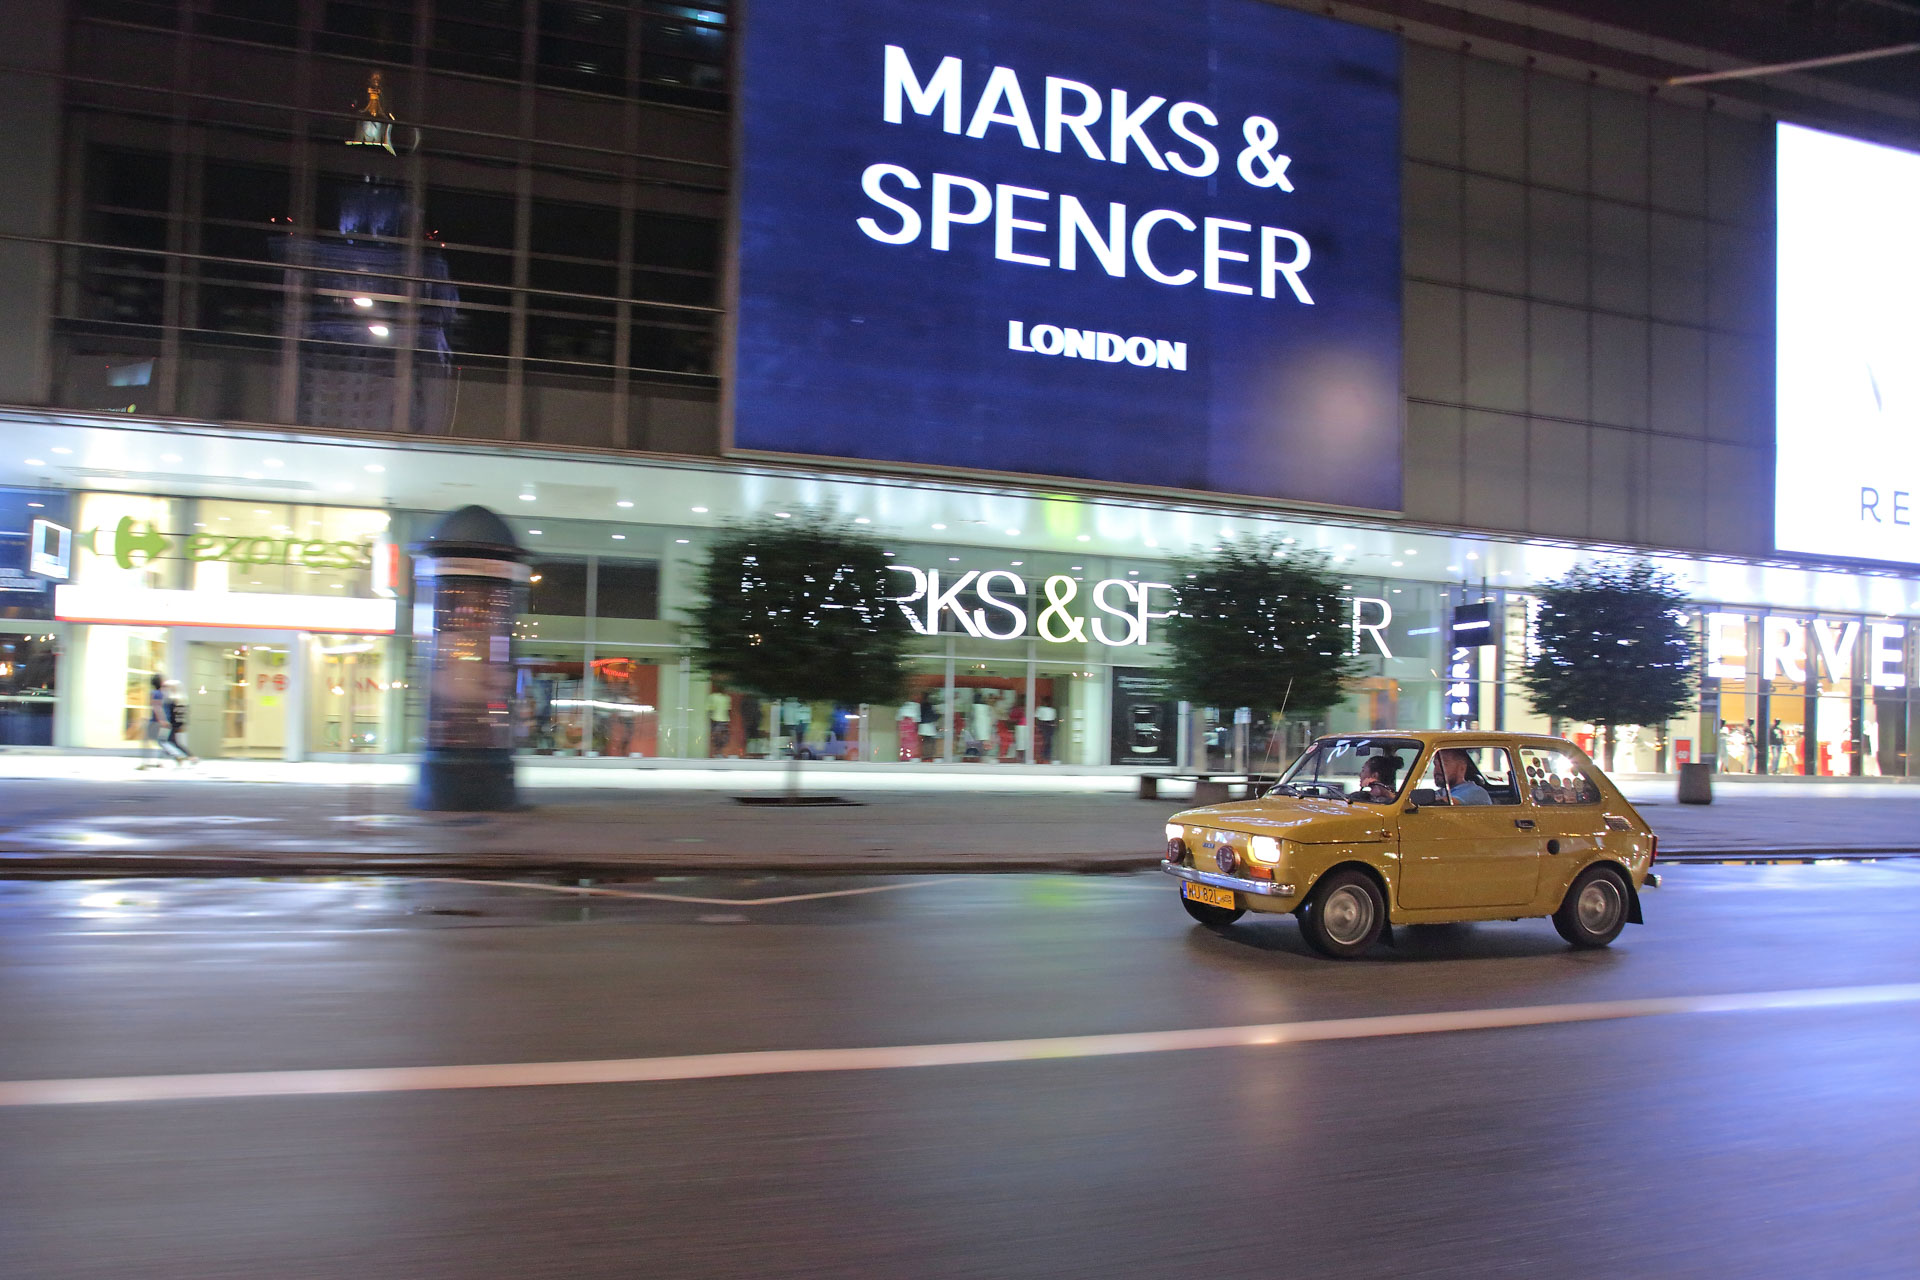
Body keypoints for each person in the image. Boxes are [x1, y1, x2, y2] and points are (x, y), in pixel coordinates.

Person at [159, 679, 195, 765]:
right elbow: (186, 712)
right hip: (177, 724)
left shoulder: (171, 699)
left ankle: (182, 757)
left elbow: (169, 713)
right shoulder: (182, 698)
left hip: (171, 724)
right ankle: (187, 757)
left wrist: (166, 722)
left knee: (164, 741)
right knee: (172, 742)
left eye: (167, 687)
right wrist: (183, 724)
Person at [1035, 697, 1057, 763]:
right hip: (1044, 724)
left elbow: (1054, 719)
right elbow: (1037, 718)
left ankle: (1046, 756)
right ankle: (1044, 755)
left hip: (1048, 725)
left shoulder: (1052, 710)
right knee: (1045, 741)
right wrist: (1038, 726)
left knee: (1048, 741)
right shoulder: (1040, 709)